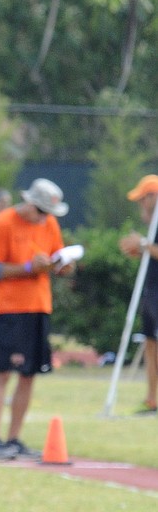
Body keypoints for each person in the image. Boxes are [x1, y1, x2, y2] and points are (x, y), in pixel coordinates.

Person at [0, 178, 75, 459]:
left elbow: (57, 257)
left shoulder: (49, 224)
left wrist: (63, 266)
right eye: (42, 212)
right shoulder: (3, 223)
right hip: (11, 309)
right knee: (3, 372)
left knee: (29, 375)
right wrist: (26, 267)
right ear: (30, 204)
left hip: (39, 306)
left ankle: (14, 438)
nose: (45, 218)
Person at [119, 174, 158, 414]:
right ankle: (152, 398)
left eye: (142, 199)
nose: (140, 205)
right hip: (151, 290)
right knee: (150, 344)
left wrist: (143, 244)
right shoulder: (152, 225)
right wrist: (139, 250)